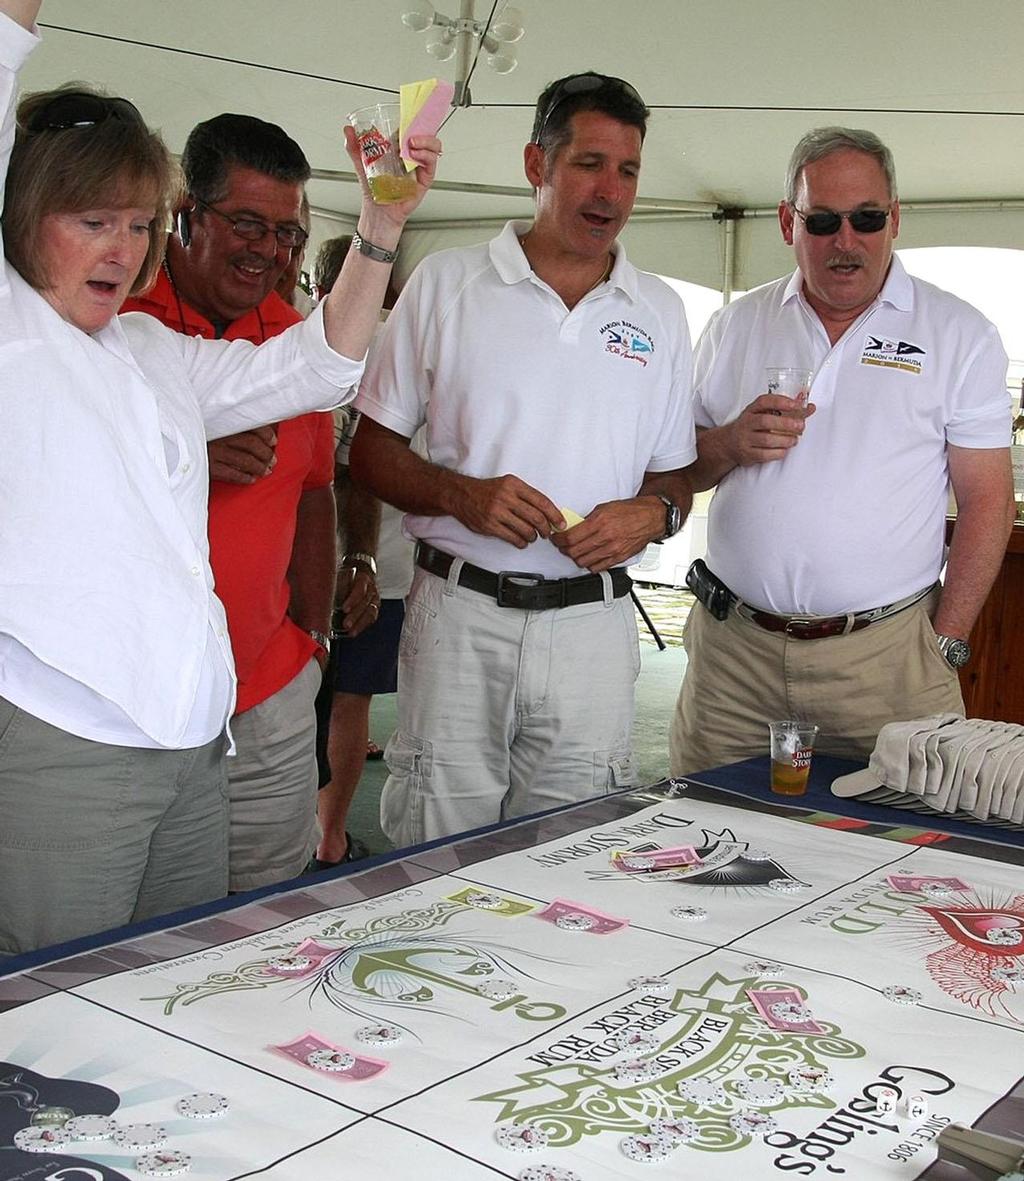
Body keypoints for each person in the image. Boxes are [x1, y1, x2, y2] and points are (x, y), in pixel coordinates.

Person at [0, 0, 439, 953]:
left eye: (135, 223)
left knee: (183, 981)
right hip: (69, 740)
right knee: (57, 1004)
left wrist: (378, 228)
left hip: (197, 741)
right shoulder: (11, 328)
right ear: (26, 220)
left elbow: (317, 366)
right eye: (91, 221)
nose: (122, 247)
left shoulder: (149, 347)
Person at [350, 71, 695, 847]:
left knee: (576, 857)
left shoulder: (661, 312)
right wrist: (462, 494)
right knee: (435, 848)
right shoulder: (446, 283)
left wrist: (653, 514)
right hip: (459, 618)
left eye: (629, 170)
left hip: (594, 628)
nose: (610, 189)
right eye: (589, 163)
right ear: (536, 164)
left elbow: (675, 475)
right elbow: (370, 454)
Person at [669, 126, 1015, 775]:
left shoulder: (958, 332)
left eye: (867, 218)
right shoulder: (735, 325)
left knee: (908, 855)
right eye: (823, 220)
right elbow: (676, 470)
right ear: (785, 222)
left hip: (888, 666)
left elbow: (987, 499)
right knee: (700, 836)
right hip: (734, 660)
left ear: (895, 219)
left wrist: (950, 639)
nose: (846, 240)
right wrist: (728, 443)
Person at [121, 115, 373, 892]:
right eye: (247, 224)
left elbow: (315, 487)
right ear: (185, 214)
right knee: (134, 927)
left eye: (289, 234)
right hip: (135, 695)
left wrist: (315, 636)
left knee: (267, 906)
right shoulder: (117, 315)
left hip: (267, 686)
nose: (269, 250)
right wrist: (183, 448)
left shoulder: (295, 341)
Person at [310, 235, 412, 868]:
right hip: (383, 565)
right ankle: (329, 836)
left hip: (328, 565)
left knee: (302, 705)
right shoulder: (401, 342)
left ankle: (309, 835)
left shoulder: (307, 341)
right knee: (349, 704)